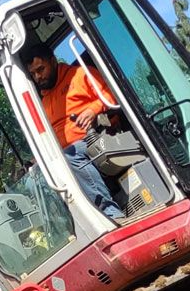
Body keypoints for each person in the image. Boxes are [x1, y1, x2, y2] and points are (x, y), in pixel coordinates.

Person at [18, 39, 125, 220]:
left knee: (70, 156)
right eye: (33, 74)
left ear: (53, 61)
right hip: (63, 153)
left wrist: (93, 109)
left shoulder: (81, 75)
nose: (38, 77)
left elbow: (113, 94)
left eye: (40, 69)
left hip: (96, 137)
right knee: (33, 181)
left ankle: (110, 213)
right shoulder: (43, 102)